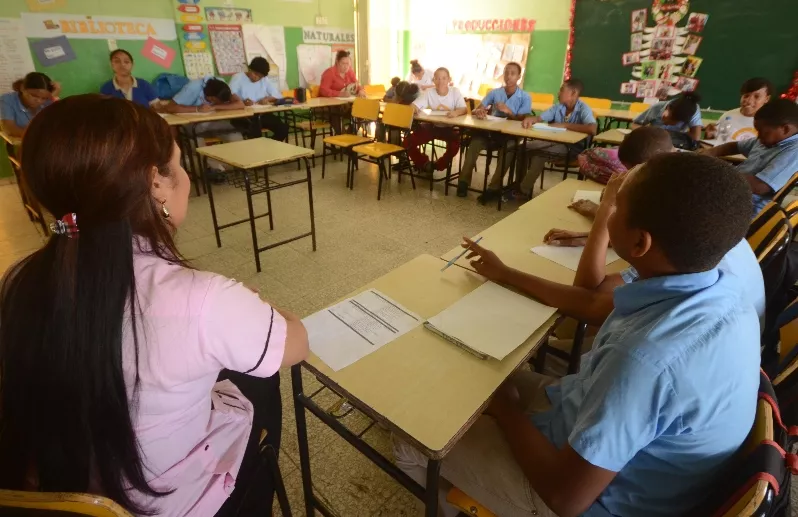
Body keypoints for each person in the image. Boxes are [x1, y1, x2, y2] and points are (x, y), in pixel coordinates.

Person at [395, 153, 761, 517]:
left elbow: (566, 498)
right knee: (466, 373)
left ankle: (464, 502)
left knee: (415, 437)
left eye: (615, 207)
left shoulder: (645, 358)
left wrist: (506, 412)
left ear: (639, 244)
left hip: (590, 497)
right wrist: (506, 274)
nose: (607, 211)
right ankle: (474, 482)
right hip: (587, 423)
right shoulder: (716, 286)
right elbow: (592, 302)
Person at [0, 95, 309, 516]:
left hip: (68, 497)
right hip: (173, 505)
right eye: (178, 164)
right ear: (156, 182)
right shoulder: (204, 300)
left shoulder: (18, 280)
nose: (183, 177)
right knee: (263, 378)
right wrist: (264, 309)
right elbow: (296, 346)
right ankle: (259, 476)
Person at [702, 98, 798, 215]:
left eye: (762, 132)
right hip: (730, 192)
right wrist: (708, 153)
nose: (758, 136)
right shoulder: (768, 139)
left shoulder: (794, 151)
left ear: (785, 129)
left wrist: (716, 173)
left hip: (744, 208)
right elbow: (735, 146)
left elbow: (760, 186)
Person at [561, 126, 674, 221]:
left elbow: (637, 231)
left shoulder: (675, 186)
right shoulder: (658, 169)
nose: (630, 174)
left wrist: (598, 211)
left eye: (636, 171)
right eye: (628, 170)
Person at [457, 62, 531, 199]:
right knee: (474, 143)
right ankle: (463, 182)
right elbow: (477, 109)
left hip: (511, 136)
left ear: (518, 77)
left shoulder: (525, 97)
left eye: (513, 73)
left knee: (509, 149)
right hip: (491, 132)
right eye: (506, 72)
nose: (508, 76)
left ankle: (494, 188)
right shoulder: (495, 93)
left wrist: (509, 112)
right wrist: (478, 111)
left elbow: (524, 119)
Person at [514, 79, 598, 197]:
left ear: (573, 93)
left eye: (562, 90)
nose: (558, 93)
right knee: (529, 151)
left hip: (572, 149)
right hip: (553, 143)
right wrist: (532, 119)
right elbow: (540, 118)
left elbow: (592, 129)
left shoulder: (583, 109)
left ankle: (521, 190)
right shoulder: (558, 107)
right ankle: (520, 187)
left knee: (531, 151)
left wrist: (565, 125)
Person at [165, 76, 246, 180]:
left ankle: (237, 166)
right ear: (210, 98)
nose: (218, 103)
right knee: (197, 141)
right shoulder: (193, 87)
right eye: (216, 101)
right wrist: (197, 109)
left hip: (213, 122)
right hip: (192, 123)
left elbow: (239, 104)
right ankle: (214, 169)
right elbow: (170, 107)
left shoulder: (220, 85)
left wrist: (215, 107)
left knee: (235, 136)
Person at [406, 67, 467, 176]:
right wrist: (414, 109)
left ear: (449, 79)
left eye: (444, 78)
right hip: (432, 127)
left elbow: (464, 109)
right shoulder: (429, 92)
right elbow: (414, 105)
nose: (440, 81)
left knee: (455, 145)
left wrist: (456, 113)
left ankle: (438, 165)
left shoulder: (455, 91)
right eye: (437, 78)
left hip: (450, 128)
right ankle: (424, 164)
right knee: (408, 141)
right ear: (433, 80)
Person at [228, 57, 290, 142]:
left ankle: (268, 149)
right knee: (255, 134)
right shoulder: (238, 78)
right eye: (255, 74)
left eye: (260, 77)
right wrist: (242, 102)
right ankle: (259, 151)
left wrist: (267, 98)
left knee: (283, 129)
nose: (256, 78)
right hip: (244, 117)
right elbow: (229, 96)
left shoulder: (264, 80)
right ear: (250, 69)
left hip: (261, 115)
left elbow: (278, 95)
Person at [704, 77, 773, 141]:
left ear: (767, 99)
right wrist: (709, 135)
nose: (749, 101)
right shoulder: (728, 116)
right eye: (746, 95)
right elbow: (717, 142)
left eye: (756, 96)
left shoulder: (770, 123)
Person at [0, 72, 60, 138]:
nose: (39, 101)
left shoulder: (49, 100)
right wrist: (37, 137)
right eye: (34, 96)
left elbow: (58, 122)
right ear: (22, 88)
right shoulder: (7, 100)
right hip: (26, 142)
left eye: (44, 98)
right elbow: (9, 129)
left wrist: (54, 96)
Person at [319, 50, 365, 133]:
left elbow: (357, 84)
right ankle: (343, 138)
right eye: (343, 63)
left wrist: (361, 90)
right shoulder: (330, 73)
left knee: (361, 111)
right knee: (336, 115)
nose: (346, 66)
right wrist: (339, 94)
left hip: (346, 106)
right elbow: (323, 90)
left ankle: (350, 135)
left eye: (348, 64)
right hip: (330, 107)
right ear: (337, 62)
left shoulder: (350, 72)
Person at [632, 92, 703, 141]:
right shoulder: (657, 107)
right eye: (664, 118)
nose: (665, 123)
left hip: (674, 143)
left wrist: (667, 135)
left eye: (671, 123)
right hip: (653, 140)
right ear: (668, 108)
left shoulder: (691, 110)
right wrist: (648, 133)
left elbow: (696, 137)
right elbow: (635, 124)